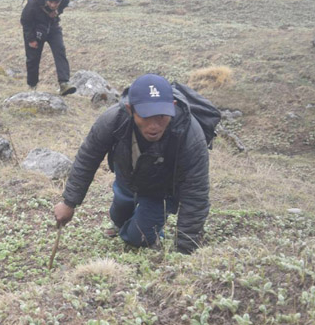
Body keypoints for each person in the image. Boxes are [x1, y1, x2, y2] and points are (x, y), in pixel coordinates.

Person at [53, 74, 210, 254]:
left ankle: (144, 228)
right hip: (128, 174)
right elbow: (88, 158)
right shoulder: (113, 120)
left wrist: (184, 247)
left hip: (162, 190)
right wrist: (69, 202)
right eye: (146, 116)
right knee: (119, 211)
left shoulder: (190, 135)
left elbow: (196, 192)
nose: (154, 125)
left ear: (172, 108)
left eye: (161, 116)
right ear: (130, 109)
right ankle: (120, 223)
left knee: (138, 237)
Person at [20, 0, 75, 95]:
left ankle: (64, 83)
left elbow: (65, 3)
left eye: (56, 3)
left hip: (53, 27)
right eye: (51, 2)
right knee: (33, 59)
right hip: (35, 31)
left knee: (60, 51)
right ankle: (32, 86)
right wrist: (31, 39)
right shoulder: (32, 4)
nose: (53, 5)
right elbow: (25, 21)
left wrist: (58, 11)